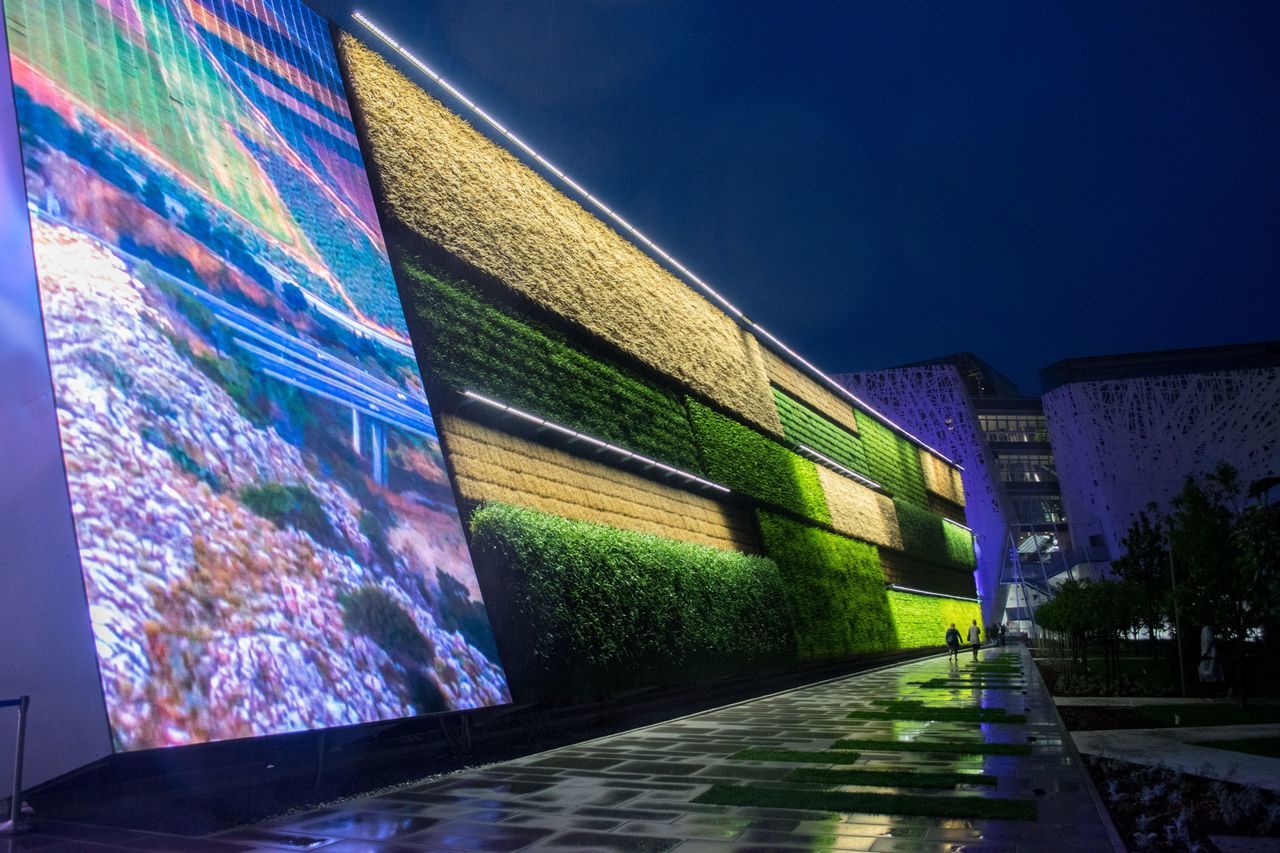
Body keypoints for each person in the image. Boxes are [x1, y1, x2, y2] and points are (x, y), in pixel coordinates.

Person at [1199, 624, 1223, 696]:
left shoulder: (1206, 629)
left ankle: (1209, 692)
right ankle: (1211, 691)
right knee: (1211, 673)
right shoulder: (1211, 629)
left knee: (1206, 674)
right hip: (1211, 655)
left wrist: (1205, 653)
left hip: (1208, 655)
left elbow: (1208, 641)